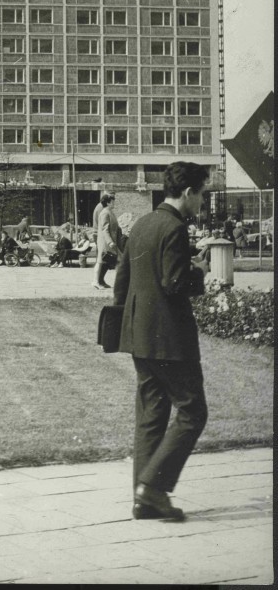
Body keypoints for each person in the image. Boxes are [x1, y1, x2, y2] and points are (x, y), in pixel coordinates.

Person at [114, 161, 210, 521]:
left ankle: (143, 500)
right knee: (192, 411)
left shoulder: (143, 224)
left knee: (152, 415)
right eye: (202, 194)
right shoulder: (174, 228)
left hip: (140, 338)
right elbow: (174, 283)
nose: (202, 201)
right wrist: (198, 271)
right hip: (171, 340)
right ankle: (154, 488)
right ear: (188, 193)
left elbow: (121, 281)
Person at [93, 193, 120, 290]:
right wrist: (110, 242)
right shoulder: (105, 213)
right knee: (101, 262)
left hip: (110, 242)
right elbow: (105, 229)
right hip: (105, 242)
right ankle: (96, 282)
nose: (114, 203)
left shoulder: (110, 212)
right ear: (108, 203)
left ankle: (101, 281)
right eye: (112, 201)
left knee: (105, 262)